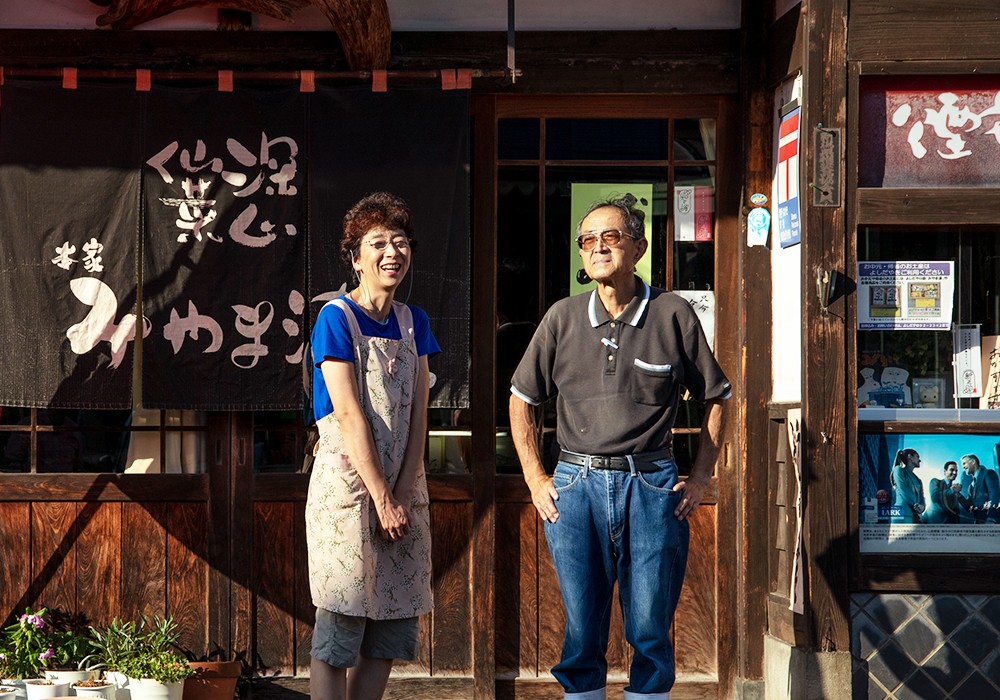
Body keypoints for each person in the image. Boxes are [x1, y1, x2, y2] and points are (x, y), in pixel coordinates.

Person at [509, 194, 730, 700]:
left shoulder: (672, 313)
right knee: (582, 630)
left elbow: (718, 397)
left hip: (651, 485)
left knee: (651, 627)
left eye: (611, 237)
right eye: (588, 239)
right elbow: (521, 400)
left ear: (640, 247)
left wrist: (699, 479)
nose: (598, 247)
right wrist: (535, 478)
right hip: (575, 485)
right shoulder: (562, 318)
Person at [306, 192, 438, 700]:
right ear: (355, 257)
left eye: (400, 242)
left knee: (391, 625)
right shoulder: (336, 318)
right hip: (349, 491)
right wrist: (381, 496)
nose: (392, 253)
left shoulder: (413, 321)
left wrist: (403, 493)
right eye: (378, 243)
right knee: (340, 626)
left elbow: (420, 415)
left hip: (402, 489)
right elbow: (347, 412)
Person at [956, 453, 1000, 524]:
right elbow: (969, 506)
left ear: (973, 462)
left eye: (964, 463)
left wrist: (991, 517)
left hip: (991, 521)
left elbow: (994, 496)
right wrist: (957, 494)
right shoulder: (971, 486)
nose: (963, 467)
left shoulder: (988, 473)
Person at [889, 448, 925, 524]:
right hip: (901, 514)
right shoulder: (898, 470)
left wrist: (923, 507)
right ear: (910, 457)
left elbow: (922, 497)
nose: (920, 460)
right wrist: (917, 506)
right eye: (917, 457)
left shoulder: (918, 480)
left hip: (914, 517)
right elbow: (904, 491)